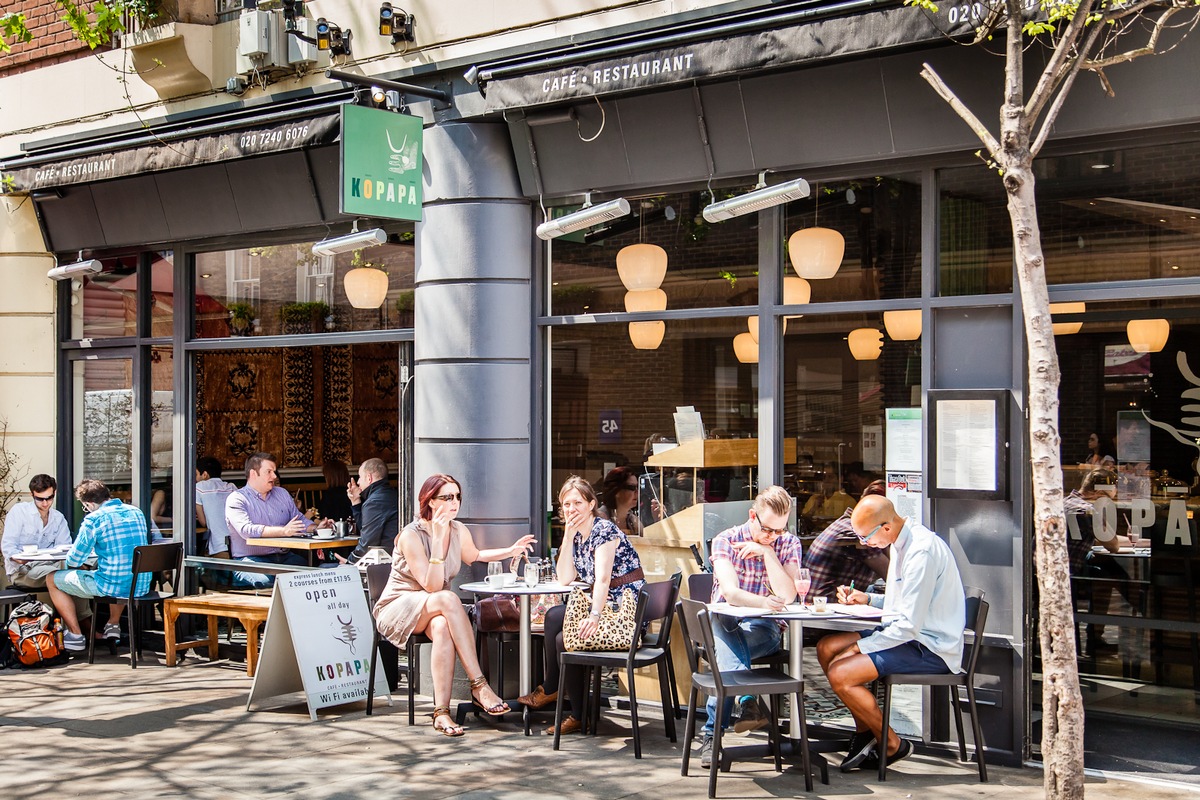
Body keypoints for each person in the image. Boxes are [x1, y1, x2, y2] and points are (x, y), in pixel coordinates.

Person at [372, 473, 535, 737]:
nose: (454, 502)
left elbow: (476, 555)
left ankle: (441, 713)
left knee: (441, 627)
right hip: (399, 605)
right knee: (448, 598)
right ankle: (479, 684)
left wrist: (510, 550)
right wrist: (436, 540)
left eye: (457, 496)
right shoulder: (410, 535)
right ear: (430, 501)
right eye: (447, 497)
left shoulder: (458, 529)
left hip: (434, 609)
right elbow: (432, 586)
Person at [817, 495, 965, 772]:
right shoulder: (899, 542)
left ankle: (893, 743)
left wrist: (861, 648)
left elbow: (909, 624)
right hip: (908, 634)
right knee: (827, 647)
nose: (863, 544)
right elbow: (906, 604)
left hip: (930, 647)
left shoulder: (921, 552)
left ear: (885, 527)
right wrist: (868, 599)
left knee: (841, 672)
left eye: (865, 536)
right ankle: (866, 732)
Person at [518, 475, 646, 737]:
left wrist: (595, 615)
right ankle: (552, 687)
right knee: (554, 617)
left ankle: (578, 715)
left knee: (566, 638)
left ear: (591, 504)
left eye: (577, 502)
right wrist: (567, 536)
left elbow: (603, 578)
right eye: (566, 504)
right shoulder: (577, 536)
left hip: (622, 610)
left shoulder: (604, 530)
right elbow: (564, 577)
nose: (571, 509)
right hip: (604, 602)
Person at [691, 485, 802, 768]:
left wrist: (767, 553)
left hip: (763, 628)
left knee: (726, 659)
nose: (773, 536)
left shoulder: (787, 543)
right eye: (767, 530)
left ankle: (712, 735)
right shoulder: (725, 540)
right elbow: (731, 594)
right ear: (752, 516)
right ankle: (748, 699)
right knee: (725, 628)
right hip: (725, 622)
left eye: (779, 530)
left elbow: (789, 595)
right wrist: (765, 602)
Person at [45, 479, 154, 652]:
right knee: (115, 569)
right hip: (140, 584)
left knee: (52, 579)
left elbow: (74, 561)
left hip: (113, 585)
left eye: (84, 507)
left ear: (89, 504)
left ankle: (75, 635)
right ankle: (113, 624)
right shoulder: (136, 512)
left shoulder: (94, 519)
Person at [224, 452, 322, 588]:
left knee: (317, 575)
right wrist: (283, 531)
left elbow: (298, 519)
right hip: (249, 560)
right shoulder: (237, 498)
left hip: (284, 558)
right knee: (267, 582)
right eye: (269, 472)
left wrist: (317, 528)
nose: (274, 476)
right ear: (253, 474)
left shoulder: (282, 493)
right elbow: (246, 530)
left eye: (274, 472)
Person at [803, 479, 890, 600]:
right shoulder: (857, 532)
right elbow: (891, 575)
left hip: (827, 602)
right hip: (826, 608)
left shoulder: (847, 523)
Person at [2, 473, 73, 590]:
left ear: (54, 493)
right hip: (23, 571)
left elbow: (65, 549)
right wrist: (20, 558)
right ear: (32, 494)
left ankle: (80, 609)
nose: (45, 503)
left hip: (51, 566)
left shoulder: (58, 518)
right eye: (40, 499)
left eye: (49, 498)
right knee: (62, 576)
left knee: (75, 573)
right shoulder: (19, 512)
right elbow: (8, 547)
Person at [336, 457, 398, 565]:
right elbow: (365, 529)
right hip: (393, 558)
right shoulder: (392, 494)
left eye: (360, 477)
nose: (358, 481)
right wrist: (355, 501)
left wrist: (350, 562)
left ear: (369, 478)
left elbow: (367, 543)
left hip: (383, 563)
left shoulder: (375, 502)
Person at [195, 456, 237, 557]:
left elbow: (203, 522)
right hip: (237, 545)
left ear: (204, 474)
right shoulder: (231, 487)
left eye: (196, 474)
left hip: (218, 547)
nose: (195, 479)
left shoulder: (199, 488)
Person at [597, 465, 641, 536]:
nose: (637, 492)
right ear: (616, 490)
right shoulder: (599, 519)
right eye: (631, 487)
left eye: (638, 487)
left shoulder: (633, 521)